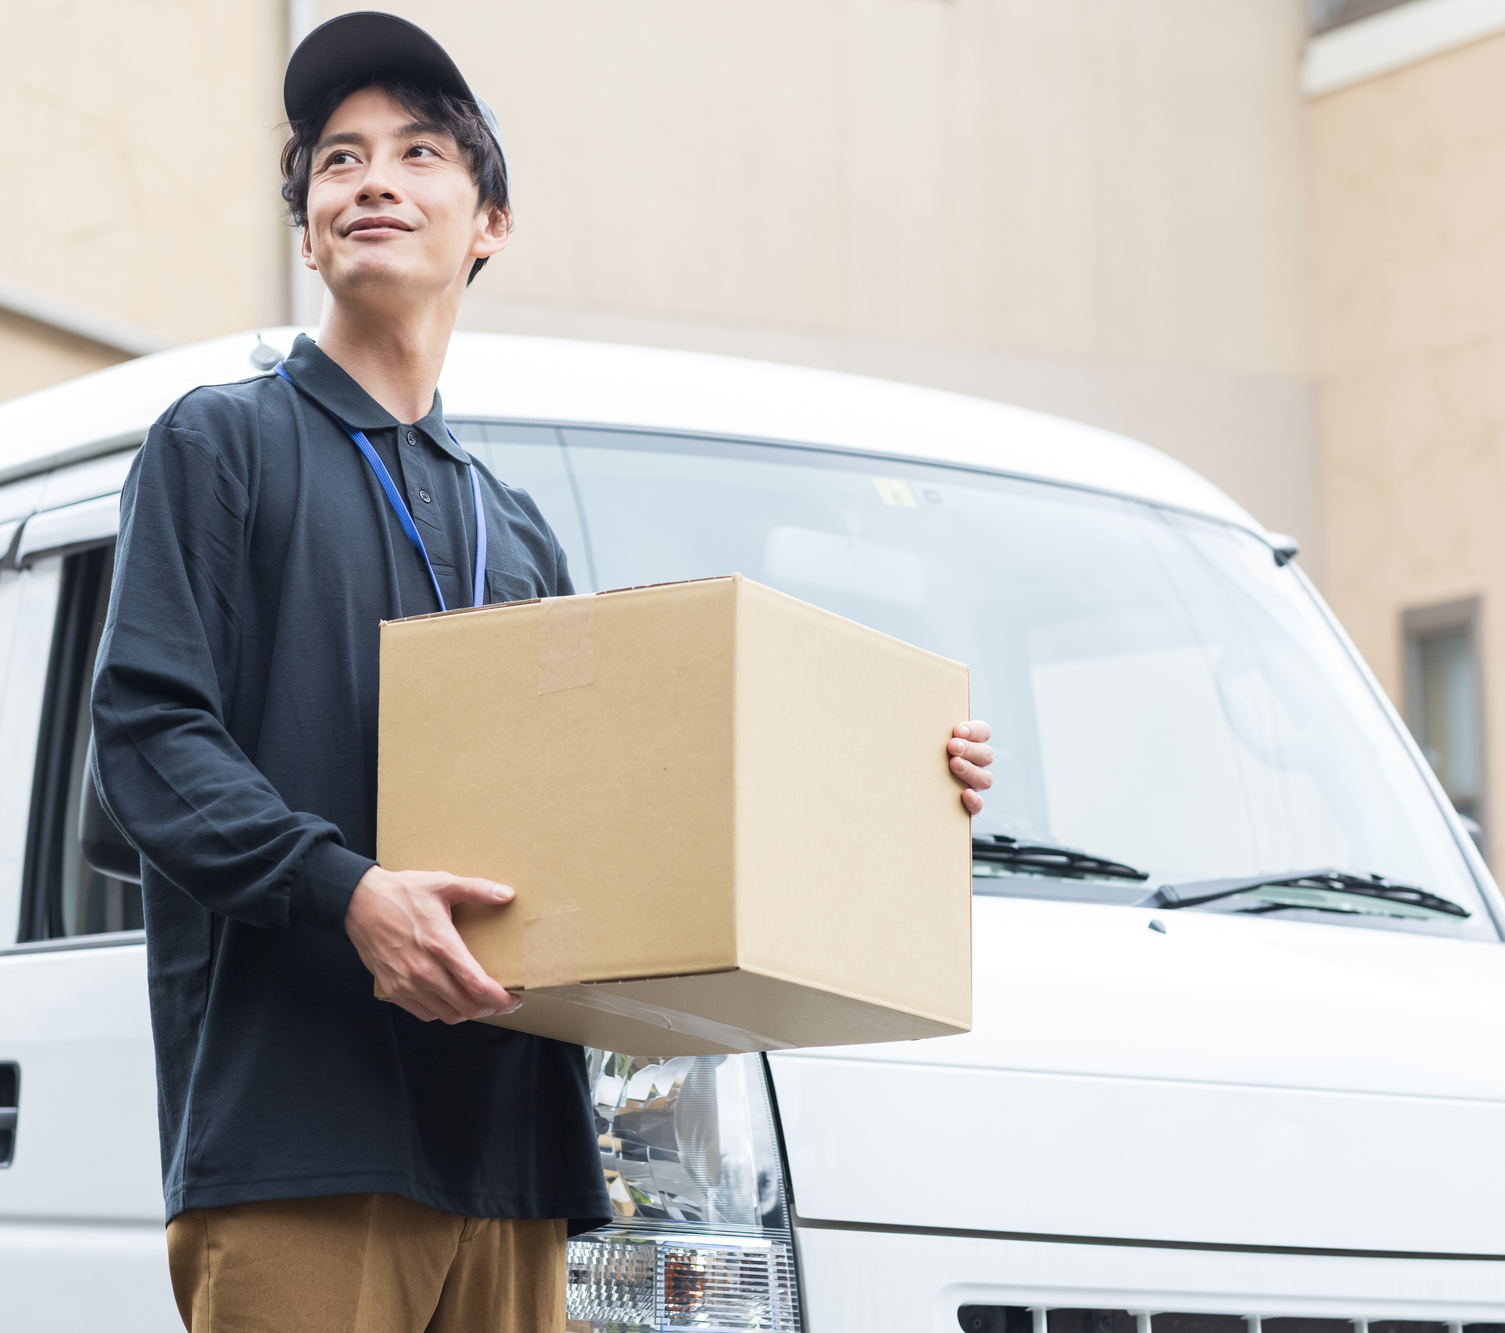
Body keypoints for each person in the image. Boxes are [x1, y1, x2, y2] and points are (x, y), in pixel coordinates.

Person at [89, 13, 997, 1331]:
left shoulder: (512, 530)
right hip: (302, 1138)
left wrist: (907, 785)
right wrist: (347, 893)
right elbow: (146, 741)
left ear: (488, 222)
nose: (372, 180)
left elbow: (626, 813)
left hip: (513, 1155)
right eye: (336, 161)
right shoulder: (219, 444)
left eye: (417, 151)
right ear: (306, 231)